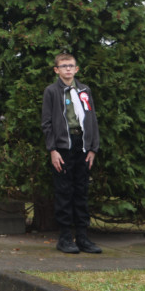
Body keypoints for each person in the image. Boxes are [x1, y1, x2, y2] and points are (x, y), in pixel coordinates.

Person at [41, 53, 101, 255]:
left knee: (81, 191)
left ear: (77, 69)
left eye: (71, 66)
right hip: (63, 147)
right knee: (64, 192)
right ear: (56, 70)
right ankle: (66, 237)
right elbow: (47, 123)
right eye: (63, 66)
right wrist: (53, 149)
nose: (68, 69)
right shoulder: (51, 92)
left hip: (82, 145)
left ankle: (83, 237)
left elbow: (92, 119)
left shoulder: (85, 90)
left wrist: (93, 148)